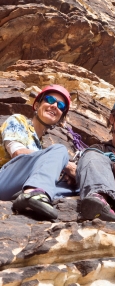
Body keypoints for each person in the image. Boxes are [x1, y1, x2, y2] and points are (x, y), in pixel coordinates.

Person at [0, 84, 77, 220]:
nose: (55, 106)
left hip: (15, 189)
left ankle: (34, 195)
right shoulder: (18, 120)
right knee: (60, 150)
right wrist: (65, 164)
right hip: (4, 179)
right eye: (50, 100)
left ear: (60, 118)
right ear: (36, 105)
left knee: (74, 186)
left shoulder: (40, 146)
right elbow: (18, 153)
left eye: (61, 106)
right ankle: (32, 193)